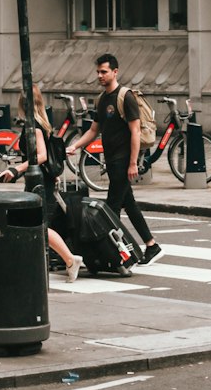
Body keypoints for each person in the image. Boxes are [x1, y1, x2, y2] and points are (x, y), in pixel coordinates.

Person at [68, 52, 162, 267]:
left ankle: (111, 254)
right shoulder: (102, 99)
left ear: (115, 72)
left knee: (110, 210)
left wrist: (132, 163)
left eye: (104, 71)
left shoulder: (125, 97)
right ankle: (151, 245)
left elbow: (135, 131)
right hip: (110, 161)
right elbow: (93, 130)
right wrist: (74, 146)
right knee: (129, 204)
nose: (100, 75)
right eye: (98, 72)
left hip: (122, 161)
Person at [0, 84, 82, 281]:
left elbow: (42, 155)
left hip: (40, 182)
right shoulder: (40, 122)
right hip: (39, 180)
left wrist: (16, 169)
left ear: (22, 102)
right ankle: (26, 264)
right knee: (28, 224)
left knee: (38, 226)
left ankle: (71, 259)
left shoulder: (33, 126)